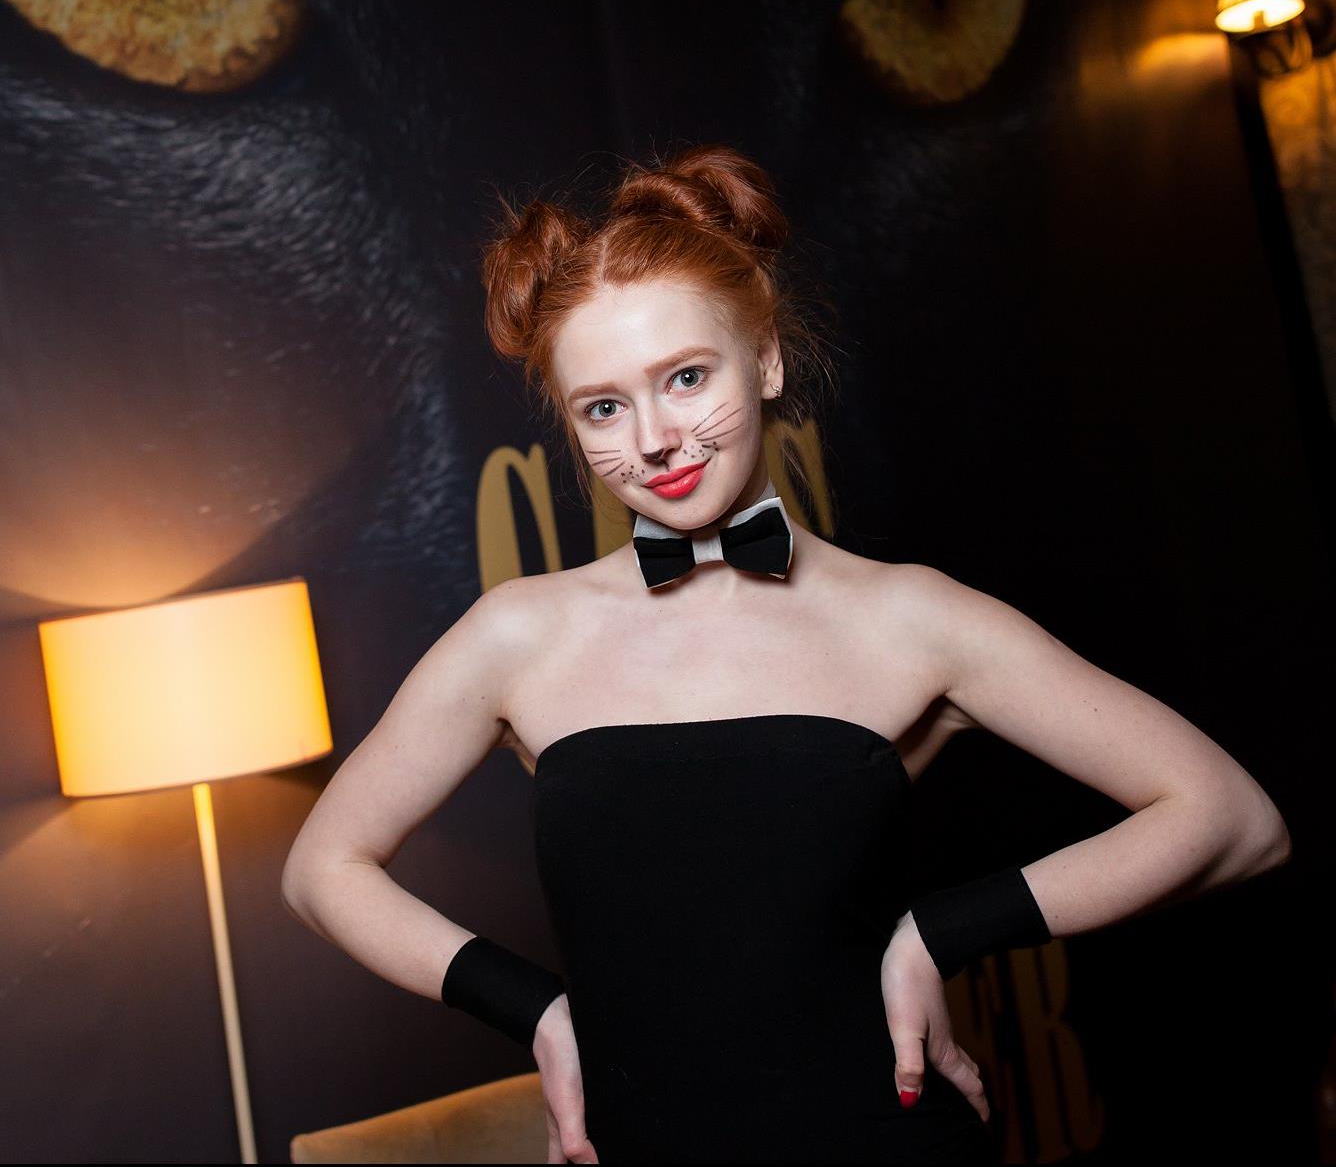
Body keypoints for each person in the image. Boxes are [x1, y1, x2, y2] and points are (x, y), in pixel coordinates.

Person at [281, 143, 1292, 1165]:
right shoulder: (518, 635)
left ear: (763, 357)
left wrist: (940, 933)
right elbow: (324, 869)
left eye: (686, 377)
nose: (655, 438)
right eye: (604, 406)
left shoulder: (910, 617)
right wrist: (537, 1011)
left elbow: (1232, 818)